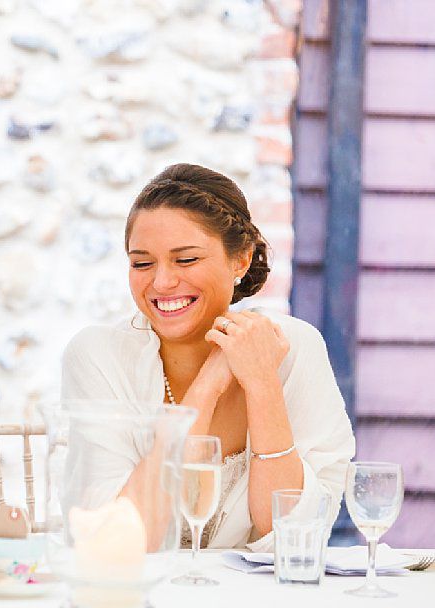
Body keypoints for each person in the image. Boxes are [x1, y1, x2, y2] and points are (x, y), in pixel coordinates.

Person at [61, 163, 355, 550]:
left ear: (241, 259)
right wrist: (208, 386)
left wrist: (262, 381)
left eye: (186, 260)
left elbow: (291, 537)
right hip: (137, 595)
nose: (162, 282)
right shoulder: (98, 355)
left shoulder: (294, 348)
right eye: (142, 263)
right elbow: (120, 540)